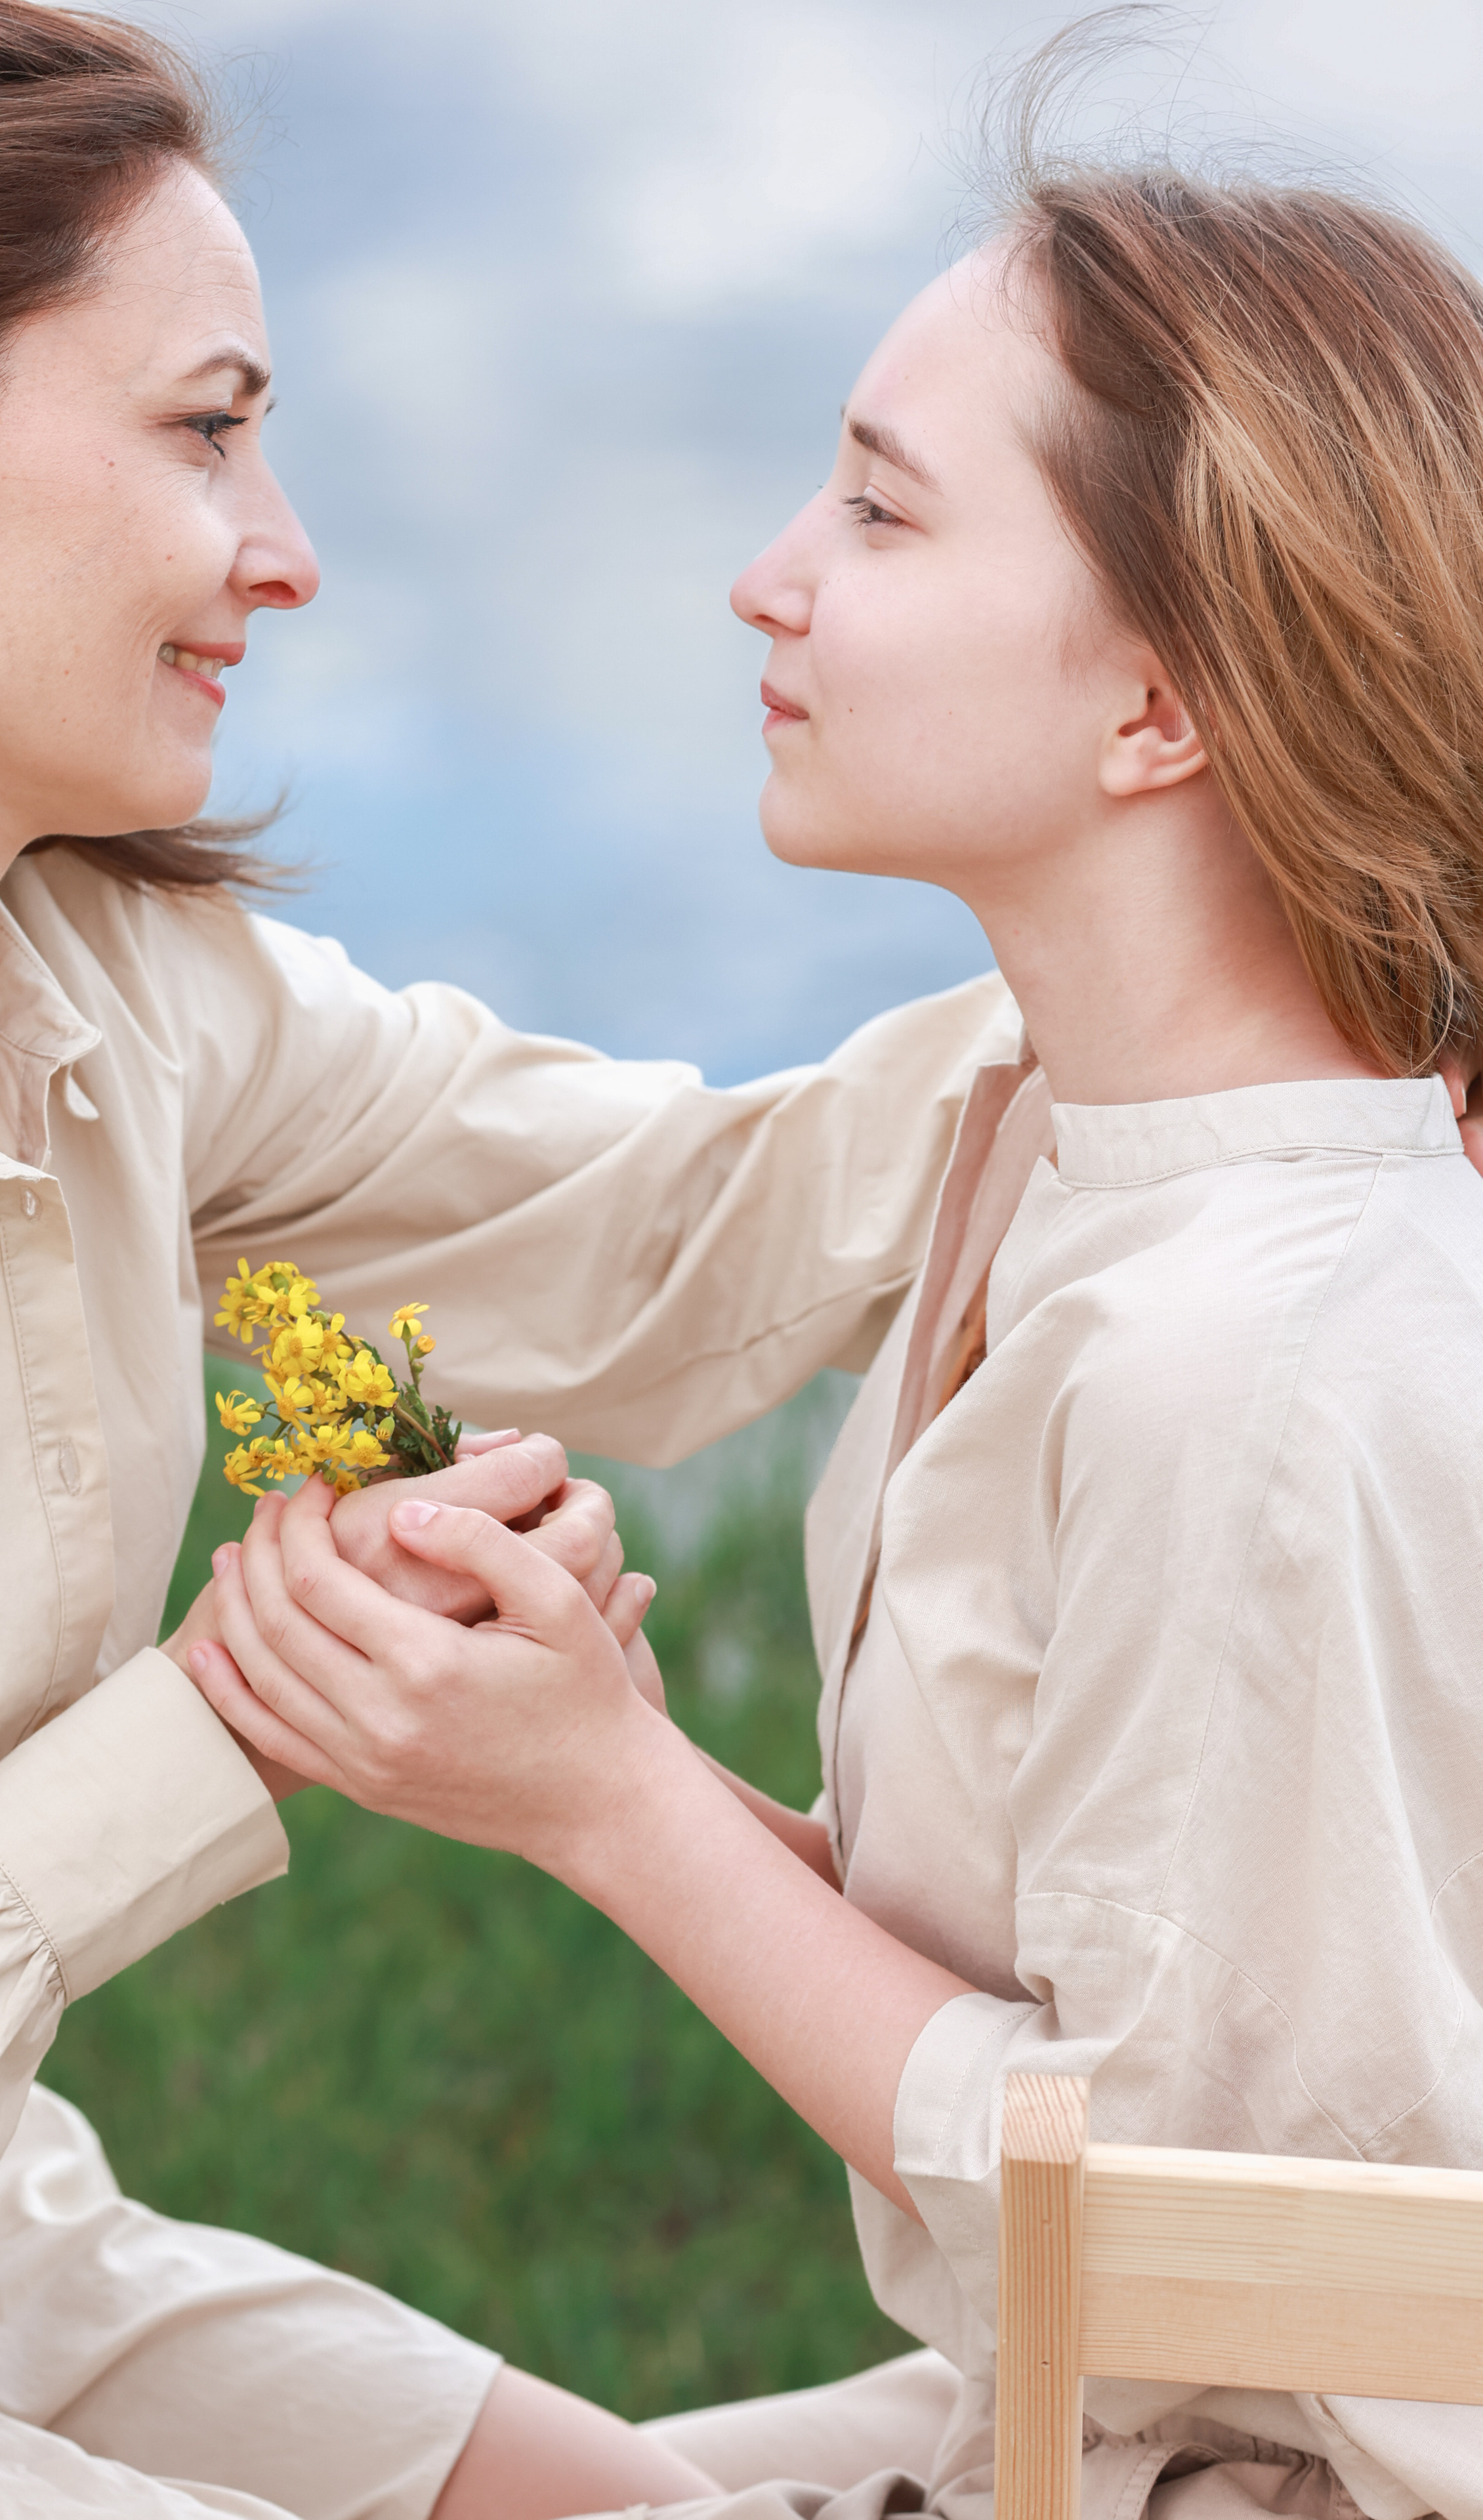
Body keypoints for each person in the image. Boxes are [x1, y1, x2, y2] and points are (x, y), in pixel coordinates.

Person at [196, 70, 1483, 2520]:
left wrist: (605, 1806)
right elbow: (1112, 2020)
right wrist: (576, 1740)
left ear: (1162, 709)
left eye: (882, 510)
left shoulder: (1280, 1365)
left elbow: (1244, 2287)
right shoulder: (1030, 1137)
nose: (767, 574)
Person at [0, 5, 1028, 2516]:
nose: (288, 546)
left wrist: (1279, 944)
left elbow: (674, 1235)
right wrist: (218, 1728)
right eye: (204, 424)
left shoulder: (110, 995)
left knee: (642, 2516)